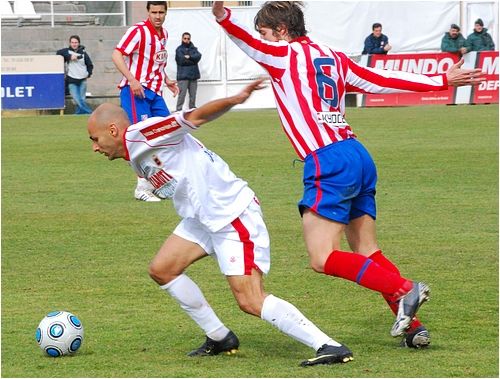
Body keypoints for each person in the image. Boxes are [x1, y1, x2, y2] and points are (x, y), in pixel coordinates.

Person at [212, 1, 484, 349]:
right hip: (356, 154)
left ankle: (405, 290)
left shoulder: (283, 55)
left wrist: (221, 15)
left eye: (265, 32)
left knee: (322, 257)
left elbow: (243, 40)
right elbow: (379, 79)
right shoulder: (333, 56)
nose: (261, 39)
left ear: (281, 30)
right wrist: (439, 80)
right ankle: (413, 327)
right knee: (367, 249)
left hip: (328, 160)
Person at [87, 79, 354, 367]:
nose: (94, 147)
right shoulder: (134, 151)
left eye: (95, 139)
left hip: (231, 215)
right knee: (163, 270)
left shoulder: (143, 133)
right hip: (202, 219)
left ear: (113, 130)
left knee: (250, 300)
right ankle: (219, 336)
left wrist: (235, 99)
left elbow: (194, 117)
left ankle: (328, 345)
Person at [111, 1, 179, 202]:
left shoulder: (164, 34)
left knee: (168, 133)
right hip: (136, 92)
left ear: (166, 13)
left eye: (161, 12)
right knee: (141, 140)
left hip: (155, 92)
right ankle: (142, 187)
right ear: (147, 12)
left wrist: (166, 80)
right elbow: (117, 55)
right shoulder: (138, 31)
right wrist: (132, 80)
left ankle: (158, 182)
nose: (158, 16)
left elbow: (156, 62)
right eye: (154, 12)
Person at [56, 35, 93, 115]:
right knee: (77, 99)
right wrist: (69, 57)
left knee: (82, 99)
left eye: (76, 42)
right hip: (72, 80)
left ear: (79, 43)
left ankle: (78, 114)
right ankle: (90, 112)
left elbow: (90, 65)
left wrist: (89, 74)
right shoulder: (67, 51)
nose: (74, 44)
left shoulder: (83, 53)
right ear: (70, 43)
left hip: (83, 79)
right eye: (72, 42)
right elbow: (58, 53)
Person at [175, 32, 202, 111]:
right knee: (181, 95)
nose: (186, 40)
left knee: (193, 95)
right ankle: (178, 110)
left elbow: (198, 56)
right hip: (183, 76)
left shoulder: (194, 49)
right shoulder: (179, 49)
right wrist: (192, 60)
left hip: (193, 76)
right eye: (185, 38)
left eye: (188, 38)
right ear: (182, 39)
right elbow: (181, 61)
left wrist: (189, 57)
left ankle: (192, 109)